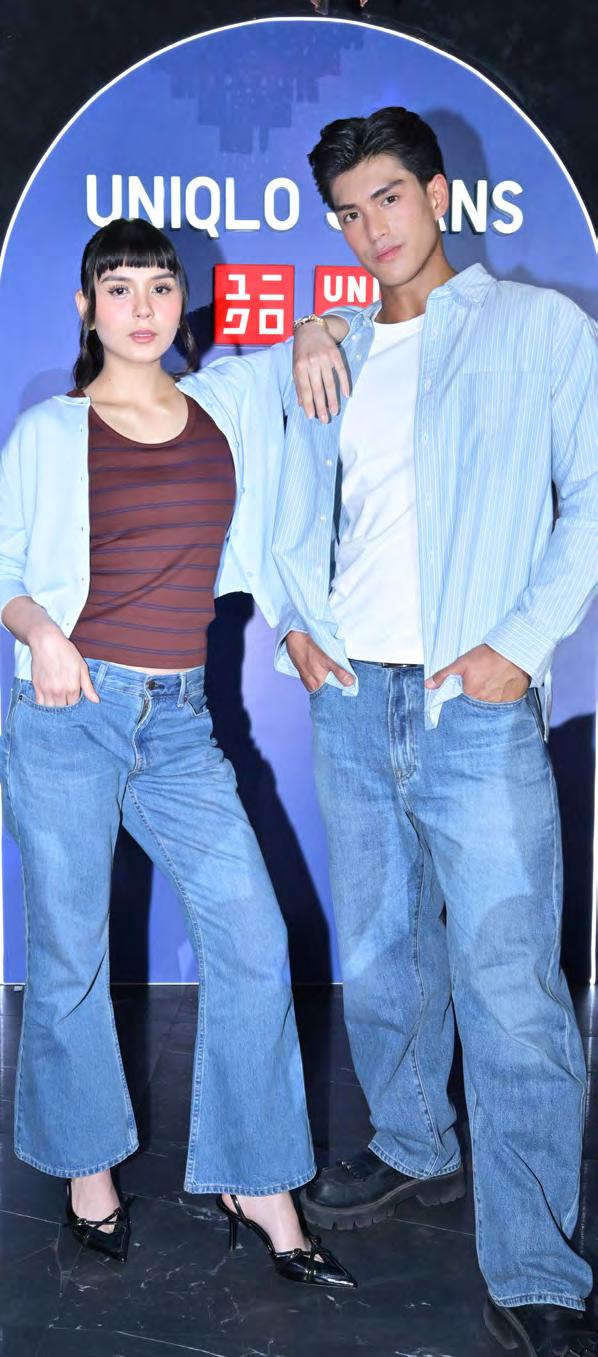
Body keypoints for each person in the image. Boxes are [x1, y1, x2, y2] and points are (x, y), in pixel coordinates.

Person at [273, 107, 598, 1353]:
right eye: (348, 213)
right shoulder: (335, 348)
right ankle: (415, 1144)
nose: (371, 229)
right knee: (377, 955)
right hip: (352, 698)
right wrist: (294, 630)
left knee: (510, 989)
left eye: (389, 199)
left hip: (474, 703)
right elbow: (282, 499)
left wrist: (521, 644)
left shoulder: (538, 329)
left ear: (440, 196)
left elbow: (592, 502)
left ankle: (536, 1264)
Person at [0, 216, 355, 1288]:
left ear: (179, 302)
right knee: (70, 951)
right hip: (71, 710)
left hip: (183, 720)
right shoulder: (51, 430)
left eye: (160, 286)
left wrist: (315, 326)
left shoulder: (222, 403)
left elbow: (336, 335)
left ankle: (255, 1178)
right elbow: (7, 567)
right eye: (119, 288)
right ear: (86, 307)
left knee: (252, 932)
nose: (143, 306)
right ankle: (86, 1173)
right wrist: (41, 633)